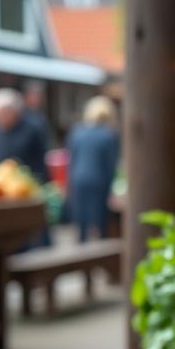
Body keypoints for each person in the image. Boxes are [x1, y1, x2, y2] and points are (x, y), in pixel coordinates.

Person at [66, 96, 121, 243]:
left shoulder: (77, 132)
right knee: (100, 222)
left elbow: (72, 160)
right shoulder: (109, 135)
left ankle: (81, 254)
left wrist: (69, 184)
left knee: (81, 223)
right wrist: (111, 190)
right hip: (99, 181)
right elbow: (110, 166)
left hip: (78, 179)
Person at [0, 87, 50, 184]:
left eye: (7, 113)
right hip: (3, 184)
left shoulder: (32, 128)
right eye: (0, 115)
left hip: (31, 183)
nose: (4, 117)